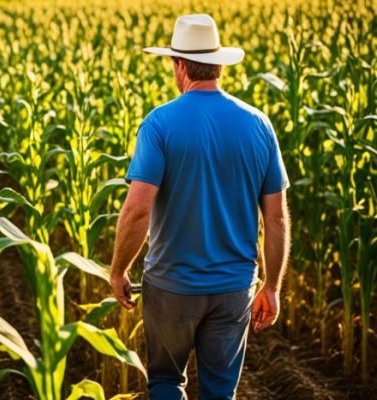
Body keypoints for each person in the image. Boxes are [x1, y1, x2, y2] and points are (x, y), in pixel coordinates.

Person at [109, 14, 291, 400]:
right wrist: (272, 287)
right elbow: (275, 216)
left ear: (178, 65)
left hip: (171, 286)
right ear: (220, 65)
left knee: (166, 382)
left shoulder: (159, 124)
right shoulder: (258, 124)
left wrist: (118, 270)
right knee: (219, 392)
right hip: (233, 289)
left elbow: (137, 210)